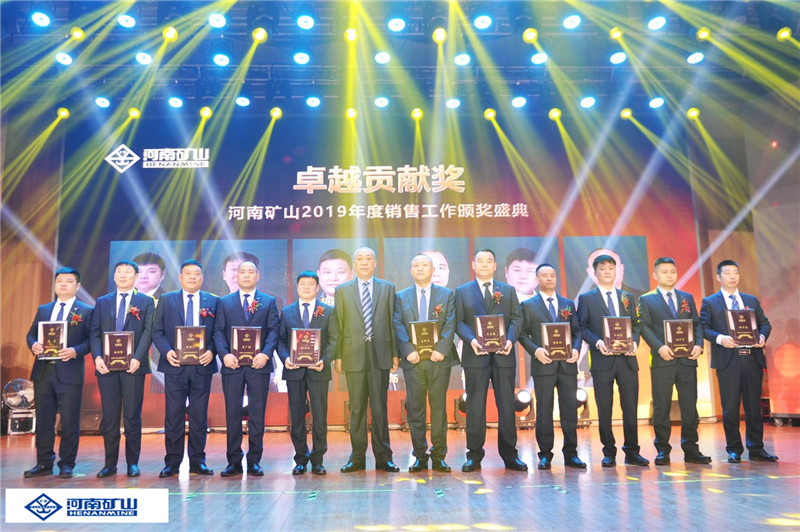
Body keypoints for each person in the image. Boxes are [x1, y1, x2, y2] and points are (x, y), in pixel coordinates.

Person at [455, 249, 526, 472]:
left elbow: (517, 318)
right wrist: (471, 340)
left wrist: (510, 339)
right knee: (475, 406)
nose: (484, 264)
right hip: (475, 356)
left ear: (495, 266)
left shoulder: (508, 290)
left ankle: (510, 455)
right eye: (480, 261)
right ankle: (474, 456)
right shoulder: (462, 291)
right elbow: (459, 322)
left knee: (506, 406)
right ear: (473, 265)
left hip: (503, 356)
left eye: (489, 261)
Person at [700, 259, 777, 463]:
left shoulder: (751, 300)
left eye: (735, 272)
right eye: (727, 273)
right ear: (718, 277)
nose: (732, 276)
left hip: (752, 359)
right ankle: (734, 449)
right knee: (730, 409)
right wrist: (721, 339)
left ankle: (757, 448)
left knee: (753, 408)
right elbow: (704, 328)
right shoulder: (710, 302)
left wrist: (762, 336)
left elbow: (765, 324)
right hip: (728, 361)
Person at [331, 247, 400, 473]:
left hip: (381, 354)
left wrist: (395, 353)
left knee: (380, 408)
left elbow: (393, 323)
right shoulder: (342, 290)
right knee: (357, 409)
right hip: (353, 354)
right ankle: (357, 457)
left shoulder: (387, 288)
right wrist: (338, 355)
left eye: (368, 259)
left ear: (375, 263)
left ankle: (384, 457)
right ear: (354, 263)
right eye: (359, 258)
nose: (364, 262)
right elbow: (338, 324)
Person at [637, 257, 711, 466]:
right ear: (655, 275)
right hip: (663, 360)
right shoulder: (646, 299)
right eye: (664, 272)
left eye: (672, 271)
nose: (669, 275)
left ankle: (691, 449)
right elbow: (644, 327)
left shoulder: (686, 297)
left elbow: (696, 324)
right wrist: (659, 347)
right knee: (662, 407)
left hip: (687, 360)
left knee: (690, 407)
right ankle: (663, 450)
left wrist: (699, 344)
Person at [577, 254, 648, 467]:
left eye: (611, 268)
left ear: (616, 271)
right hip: (602, 360)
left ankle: (632, 451)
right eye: (602, 268)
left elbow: (635, 324)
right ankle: (609, 451)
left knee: (630, 407)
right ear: (595, 273)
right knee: (605, 408)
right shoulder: (587, 298)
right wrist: (598, 342)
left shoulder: (627, 297)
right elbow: (582, 328)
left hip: (627, 360)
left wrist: (634, 341)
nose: (607, 271)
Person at [24, 267, 93, 479]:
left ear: (77, 286)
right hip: (43, 372)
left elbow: (91, 340)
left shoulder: (86, 311)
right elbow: (31, 334)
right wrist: (34, 344)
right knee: (44, 420)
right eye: (60, 280)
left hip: (69, 372)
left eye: (69, 281)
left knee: (69, 421)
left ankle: (67, 463)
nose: (63, 284)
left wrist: (75, 351)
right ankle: (43, 462)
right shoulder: (44, 309)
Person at [89, 260, 155, 478]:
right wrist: (97, 357)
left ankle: (132, 463)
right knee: (110, 416)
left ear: (136, 277)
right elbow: (94, 332)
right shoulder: (103, 301)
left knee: (132, 416)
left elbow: (148, 332)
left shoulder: (146, 301)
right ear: (114, 276)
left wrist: (138, 358)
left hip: (133, 367)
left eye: (128, 272)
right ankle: (109, 464)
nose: (123, 275)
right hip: (106, 367)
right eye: (119, 271)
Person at [153, 259, 219, 477]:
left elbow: (218, 331)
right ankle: (172, 462)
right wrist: (166, 352)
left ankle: (198, 462)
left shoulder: (213, 301)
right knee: (174, 415)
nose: (192, 277)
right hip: (175, 366)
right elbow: (157, 331)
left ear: (202, 278)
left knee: (199, 417)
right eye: (188, 273)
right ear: (180, 277)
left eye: (196, 273)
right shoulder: (166, 299)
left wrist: (212, 351)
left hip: (202, 366)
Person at [213, 260, 279, 477]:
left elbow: (274, 331)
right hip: (232, 366)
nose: (247, 275)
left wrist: (265, 354)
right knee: (232, 413)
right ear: (236, 276)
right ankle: (233, 461)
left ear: (258, 276)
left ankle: (254, 461)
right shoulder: (224, 302)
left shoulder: (268, 301)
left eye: (251, 272)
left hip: (259, 366)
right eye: (243, 271)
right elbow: (218, 331)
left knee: (257, 413)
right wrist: (225, 355)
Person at [393, 254, 457, 473]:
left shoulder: (446, 295)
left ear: (432, 270)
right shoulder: (401, 297)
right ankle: (419, 455)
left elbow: (450, 323)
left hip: (439, 360)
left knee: (438, 409)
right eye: (416, 265)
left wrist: (442, 349)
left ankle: (439, 456)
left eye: (424, 265)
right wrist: (408, 350)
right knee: (415, 410)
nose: (420, 269)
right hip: (413, 361)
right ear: (411, 271)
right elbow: (397, 324)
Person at [518, 264, 586, 470]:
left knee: (570, 410)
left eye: (552, 275)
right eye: (544, 275)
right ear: (537, 279)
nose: (549, 278)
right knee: (544, 410)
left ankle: (571, 454)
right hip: (543, 365)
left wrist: (576, 349)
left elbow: (577, 331)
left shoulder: (567, 304)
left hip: (567, 366)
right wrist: (536, 350)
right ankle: (545, 454)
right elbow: (522, 334)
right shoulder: (528, 305)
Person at [277, 271, 335, 475]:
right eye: (303, 284)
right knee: (297, 416)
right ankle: (300, 458)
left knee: (320, 415)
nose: (307, 287)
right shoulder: (287, 312)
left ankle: (318, 459)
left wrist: (324, 360)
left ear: (317, 288)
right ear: (297, 287)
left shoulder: (328, 311)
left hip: (318, 371)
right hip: (294, 372)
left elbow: (334, 340)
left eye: (311, 284)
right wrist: (286, 359)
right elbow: (280, 341)